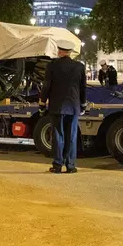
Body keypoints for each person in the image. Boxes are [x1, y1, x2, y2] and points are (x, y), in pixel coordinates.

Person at [40, 39, 87, 174]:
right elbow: (83, 88)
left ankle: (57, 165)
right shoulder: (79, 66)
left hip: (57, 106)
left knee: (58, 136)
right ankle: (71, 166)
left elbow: (46, 86)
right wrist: (82, 105)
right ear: (71, 52)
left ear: (59, 51)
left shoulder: (52, 66)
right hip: (73, 107)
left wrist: (42, 103)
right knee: (71, 137)